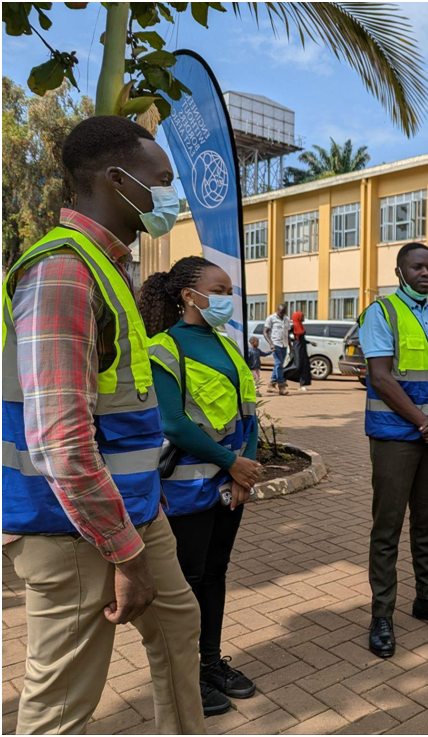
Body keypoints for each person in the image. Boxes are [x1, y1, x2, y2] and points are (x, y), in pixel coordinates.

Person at [1, 115, 205, 734]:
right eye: (162, 181)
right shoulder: (66, 272)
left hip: (133, 512)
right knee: (61, 706)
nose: (172, 196)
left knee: (177, 626)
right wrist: (124, 551)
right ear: (119, 180)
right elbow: (61, 441)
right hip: (75, 531)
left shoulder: (106, 267)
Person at [138, 256, 263, 717]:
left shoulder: (229, 346)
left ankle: (211, 663)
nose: (229, 298)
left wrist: (244, 468)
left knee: (215, 575)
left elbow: (249, 409)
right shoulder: (164, 349)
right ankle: (184, 675)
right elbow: (172, 422)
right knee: (186, 584)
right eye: (221, 289)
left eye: (231, 290)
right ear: (190, 296)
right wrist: (234, 463)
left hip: (230, 487)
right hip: (188, 491)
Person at [358, 242, 428, 658]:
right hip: (394, 437)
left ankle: (427, 599)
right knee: (387, 528)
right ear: (400, 271)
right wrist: (425, 424)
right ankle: (382, 614)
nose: (426, 273)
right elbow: (381, 378)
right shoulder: (381, 313)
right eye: (417, 267)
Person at [263, 303, 291, 395]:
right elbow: (265, 332)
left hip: (284, 345)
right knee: (279, 365)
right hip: (276, 344)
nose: (282, 314)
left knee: (278, 365)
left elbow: (288, 333)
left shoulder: (287, 319)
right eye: (280, 312)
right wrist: (271, 344)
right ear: (277, 310)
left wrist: (291, 346)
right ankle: (281, 386)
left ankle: (271, 384)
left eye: (284, 313)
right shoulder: (271, 318)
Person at [284, 310, 313, 391]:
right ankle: (282, 375)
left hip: (303, 347)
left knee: (304, 366)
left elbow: (302, 338)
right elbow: (286, 335)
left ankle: (302, 384)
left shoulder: (301, 325)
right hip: (297, 347)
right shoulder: (293, 326)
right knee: (297, 364)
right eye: (301, 316)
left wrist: (310, 342)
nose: (303, 317)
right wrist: (290, 343)